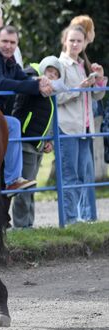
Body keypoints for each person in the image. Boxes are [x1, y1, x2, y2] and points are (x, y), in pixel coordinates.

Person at [0, 26, 53, 195]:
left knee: (12, 124)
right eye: (4, 41)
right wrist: (35, 85)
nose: (8, 46)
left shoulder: (8, 59)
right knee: (14, 124)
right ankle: (12, 181)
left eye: (12, 42)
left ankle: (12, 181)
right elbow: (0, 83)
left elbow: (22, 77)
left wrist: (39, 81)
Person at [57, 24, 106, 224]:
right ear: (64, 42)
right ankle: (70, 220)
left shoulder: (83, 65)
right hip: (67, 128)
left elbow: (96, 96)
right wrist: (79, 88)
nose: (75, 44)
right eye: (72, 40)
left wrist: (99, 80)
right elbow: (57, 96)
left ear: (85, 42)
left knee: (85, 175)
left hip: (85, 127)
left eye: (79, 40)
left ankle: (85, 218)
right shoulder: (59, 65)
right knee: (70, 176)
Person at [11, 56, 63, 228]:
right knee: (24, 186)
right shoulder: (33, 82)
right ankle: (21, 226)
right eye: (49, 71)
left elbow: (48, 119)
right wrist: (20, 137)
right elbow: (18, 109)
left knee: (31, 186)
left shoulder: (50, 93)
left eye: (56, 74)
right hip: (27, 141)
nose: (52, 76)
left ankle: (28, 224)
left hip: (38, 144)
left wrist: (49, 140)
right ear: (42, 70)